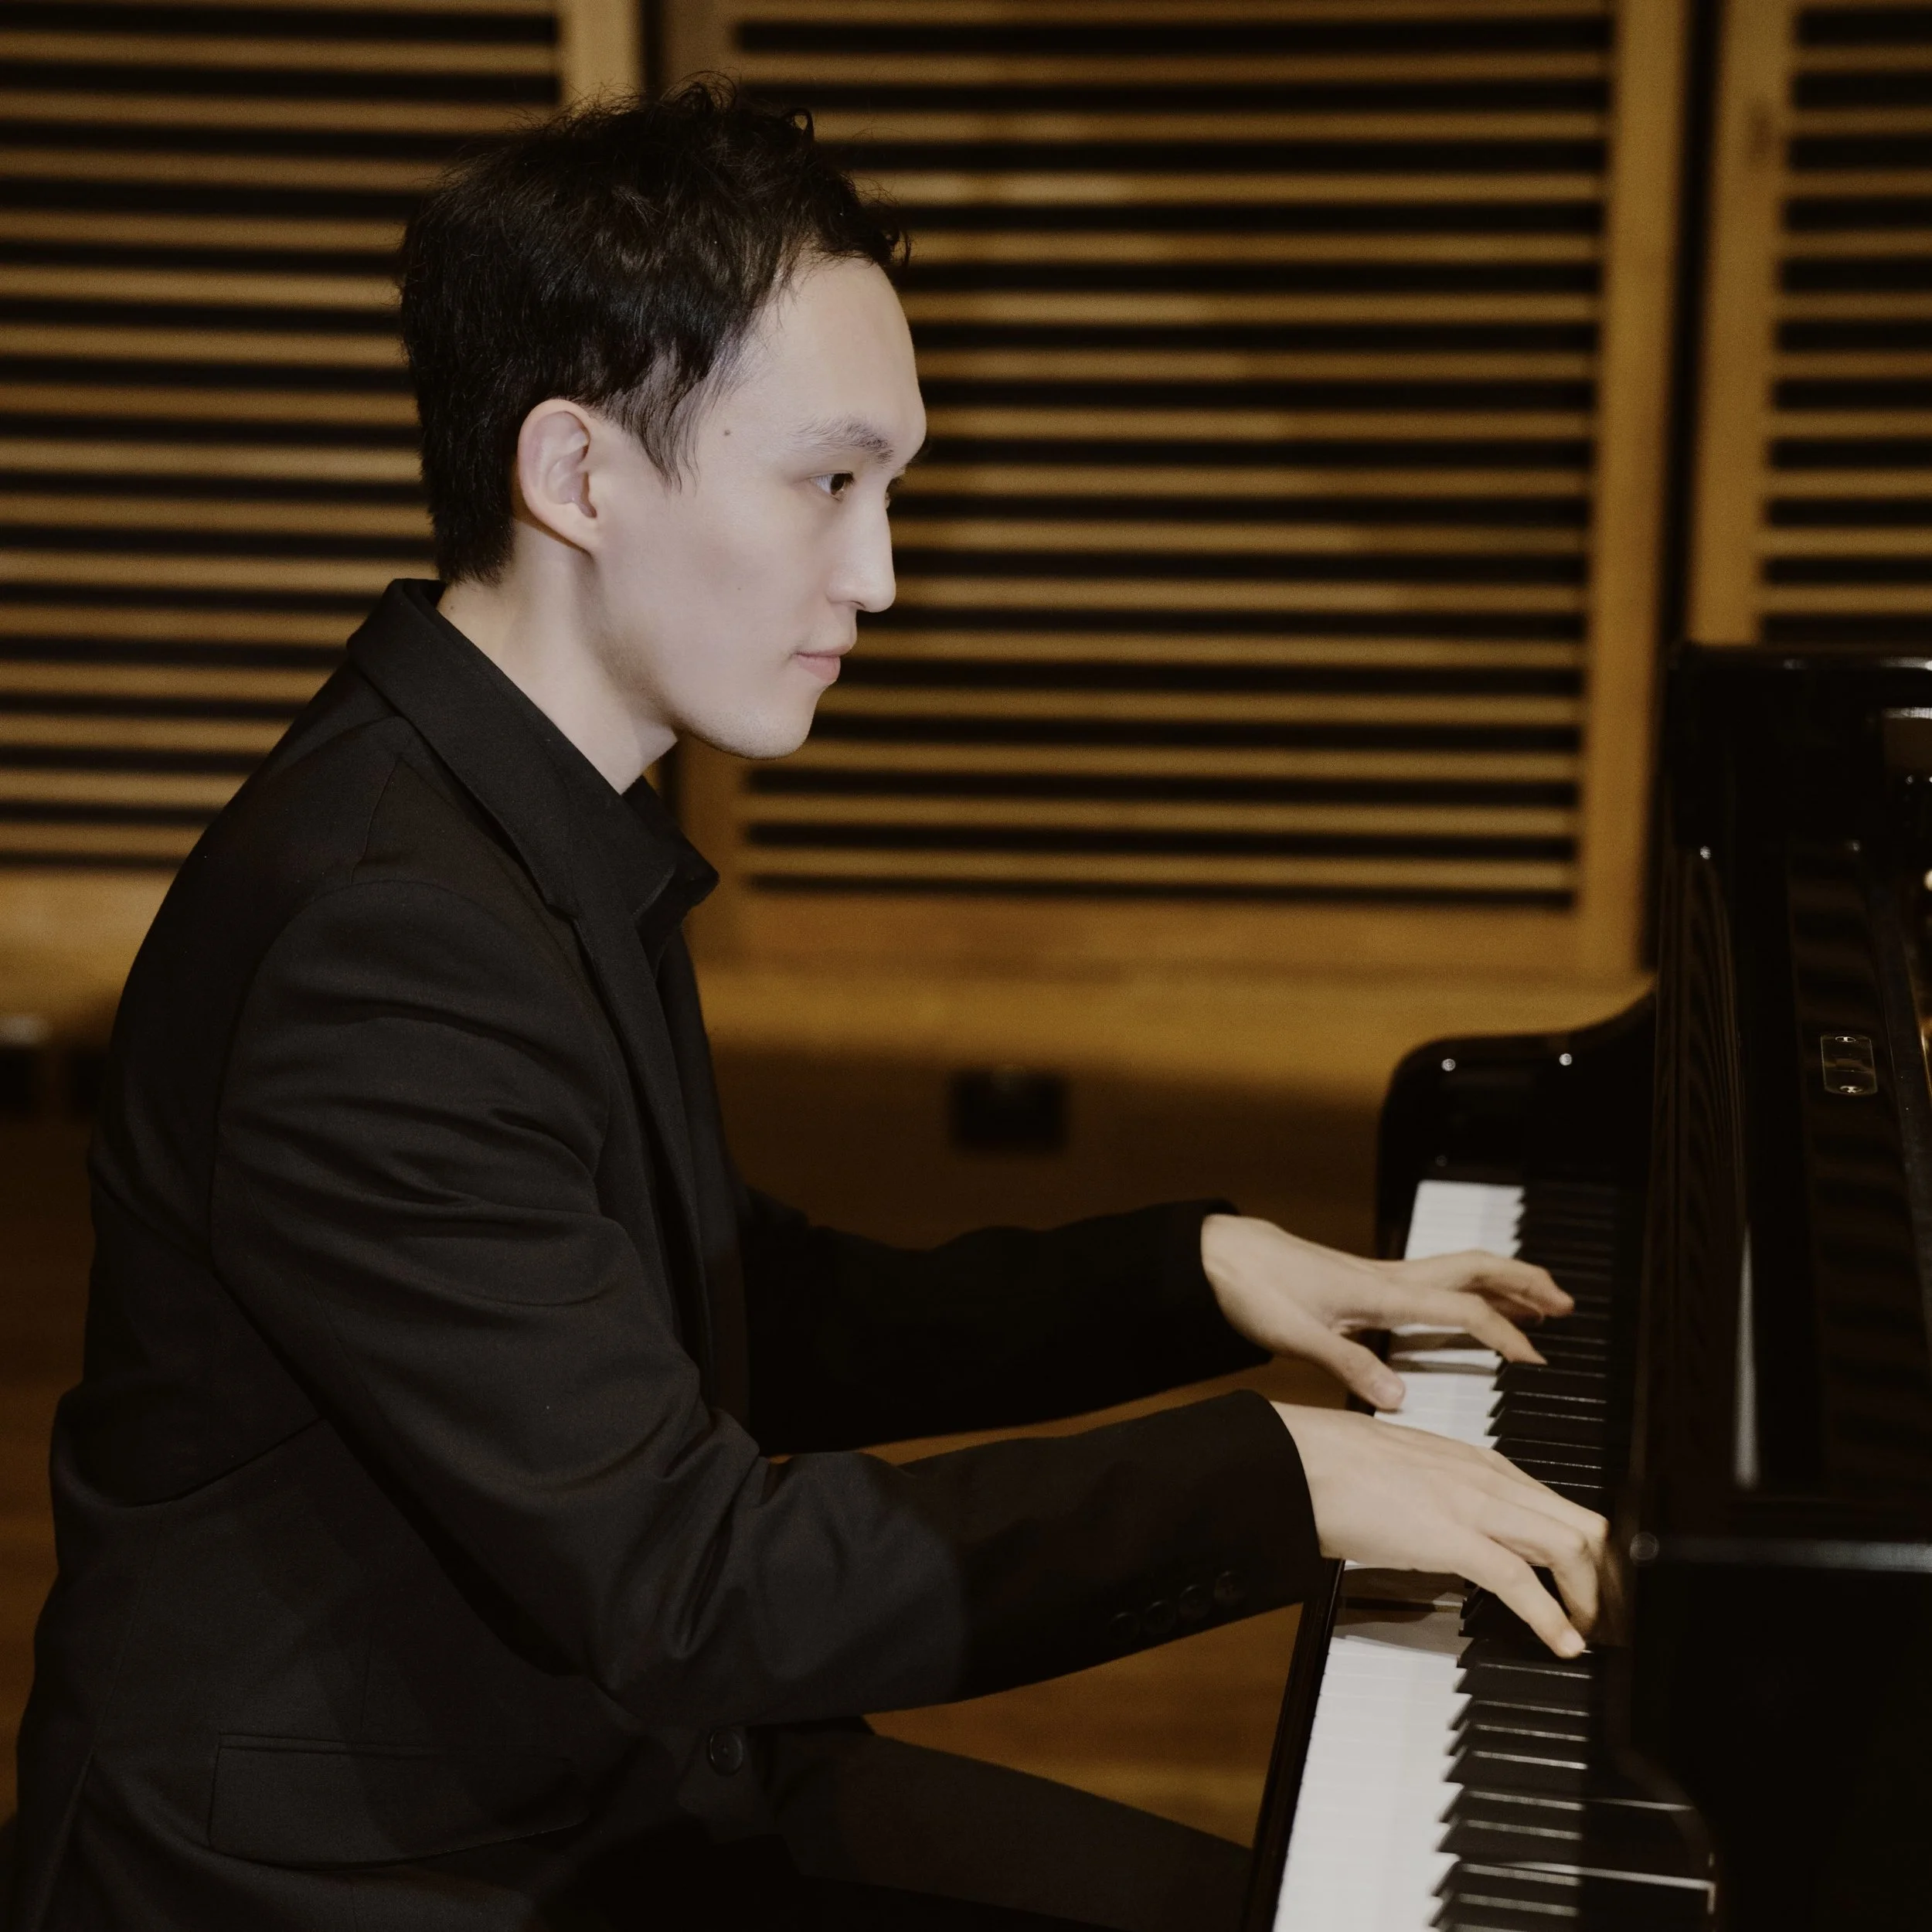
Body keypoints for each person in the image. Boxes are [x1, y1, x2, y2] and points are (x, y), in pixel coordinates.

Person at [9, 83, 1611, 1932]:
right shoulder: (382, 931)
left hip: (595, 1754)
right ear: (576, 474)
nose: (878, 574)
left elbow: (723, 1310)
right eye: (828, 481)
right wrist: (1278, 1478)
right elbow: (691, 1582)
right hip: (362, 1863)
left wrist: (1190, 1269)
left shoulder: (511, 808)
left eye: (890, 488)